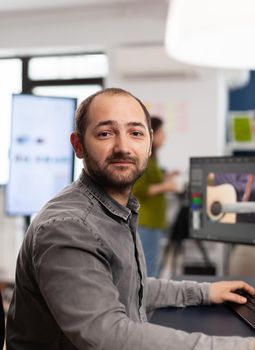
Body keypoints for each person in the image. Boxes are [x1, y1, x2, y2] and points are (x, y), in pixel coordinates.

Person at [6, 87, 255, 350]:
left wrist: (204, 292)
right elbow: (108, 336)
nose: (123, 147)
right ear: (78, 145)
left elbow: (129, 285)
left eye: (135, 133)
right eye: (105, 133)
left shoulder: (114, 209)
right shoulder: (69, 227)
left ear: (149, 145)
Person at [132, 116, 179, 276]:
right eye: (161, 132)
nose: (164, 136)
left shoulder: (152, 159)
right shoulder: (143, 159)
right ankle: (148, 302)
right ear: (152, 135)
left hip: (154, 223)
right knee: (149, 271)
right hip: (147, 223)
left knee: (154, 268)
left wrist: (166, 178)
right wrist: (166, 186)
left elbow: (151, 183)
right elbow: (139, 189)